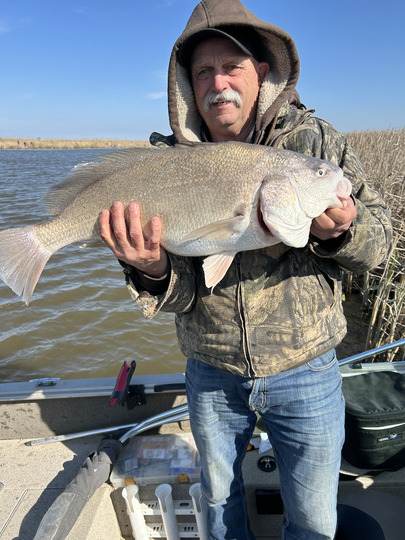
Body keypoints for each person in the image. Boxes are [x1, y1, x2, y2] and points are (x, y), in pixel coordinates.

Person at [99, 1, 392, 538]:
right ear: (187, 85)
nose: (219, 84)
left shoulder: (315, 145)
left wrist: (343, 233)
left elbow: (381, 247)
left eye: (231, 67)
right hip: (210, 374)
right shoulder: (165, 163)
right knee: (218, 504)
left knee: (314, 518)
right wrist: (152, 269)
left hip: (307, 369)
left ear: (261, 72)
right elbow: (183, 292)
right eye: (203, 71)